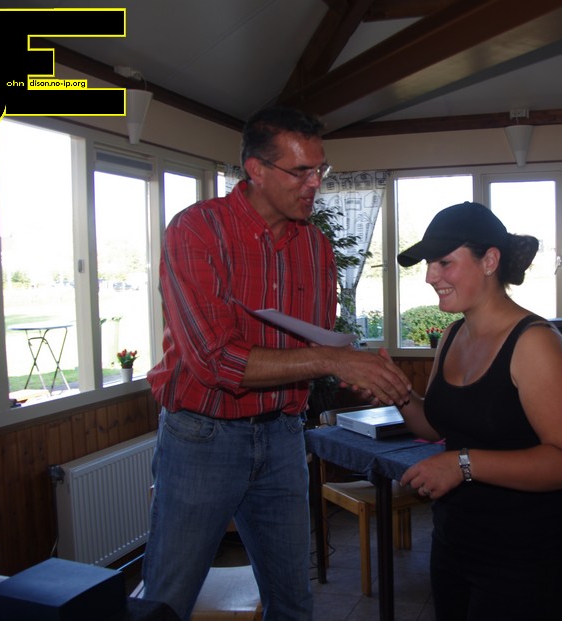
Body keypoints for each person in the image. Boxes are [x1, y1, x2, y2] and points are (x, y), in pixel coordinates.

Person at [142, 106, 411, 621]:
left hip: (284, 435)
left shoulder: (316, 247)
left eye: (320, 169)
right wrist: (333, 359)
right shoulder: (197, 230)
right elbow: (214, 361)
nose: (315, 184)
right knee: (166, 601)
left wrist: (353, 369)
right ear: (256, 170)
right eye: (300, 171)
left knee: (293, 603)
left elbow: (313, 346)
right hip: (202, 438)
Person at [391, 201, 562, 620]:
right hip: (454, 540)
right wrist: (398, 393)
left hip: (526, 553)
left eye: (444, 262)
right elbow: (436, 426)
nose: (430, 276)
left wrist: (462, 464)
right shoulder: (452, 335)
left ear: (490, 261)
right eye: (429, 264)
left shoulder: (536, 343)